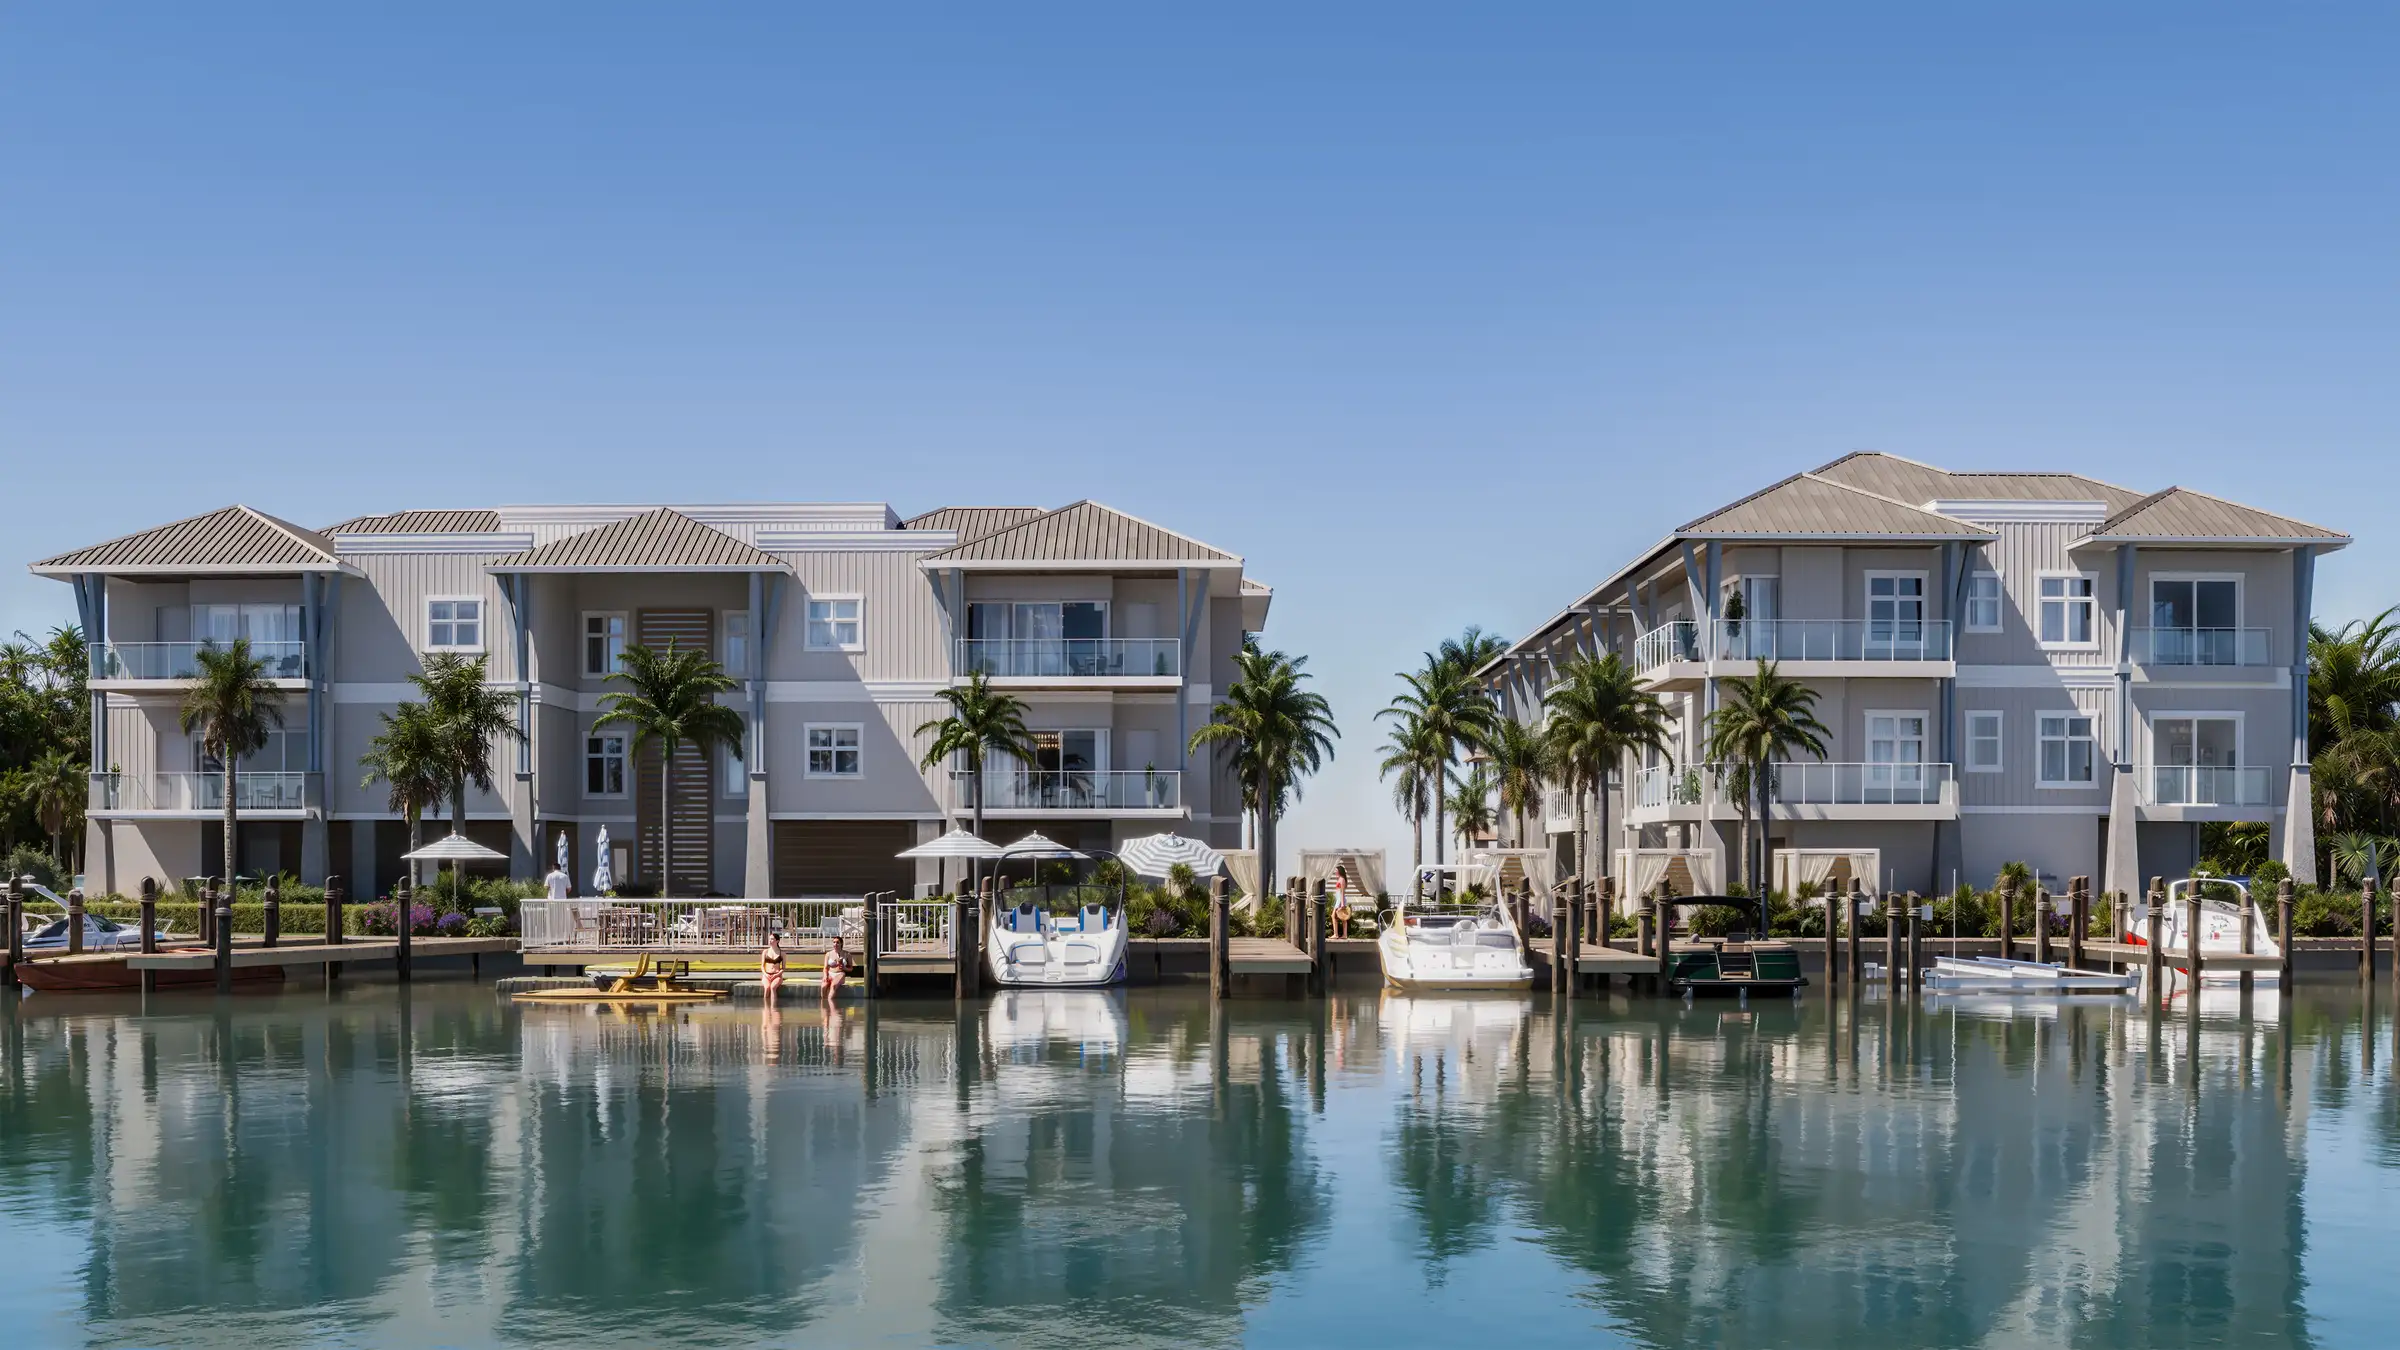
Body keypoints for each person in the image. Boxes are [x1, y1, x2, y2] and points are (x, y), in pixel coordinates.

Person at [821, 935, 850, 1002]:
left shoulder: (847, 954)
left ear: (841, 944)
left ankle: (830, 1003)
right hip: (830, 973)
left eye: (837, 942)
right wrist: (825, 975)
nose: (835, 944)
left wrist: (844, 968)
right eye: (834, 942)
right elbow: (825, 967)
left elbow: (851, 968)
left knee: (833, 986)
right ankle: (824, 1004)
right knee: (823, 986)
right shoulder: (828, 954)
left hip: (840, 973)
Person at [760, 931, 787, 1002]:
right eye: (769, 939)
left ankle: (774, 1008)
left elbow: (783, 968)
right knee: (767, 987)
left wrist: (777, 975)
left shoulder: (782, 953)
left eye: (772, 939)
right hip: (767, 974)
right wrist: (765, 974)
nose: (770, 941)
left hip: (777, 975)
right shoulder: (765, 952)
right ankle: (766, 1006)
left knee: (773, 987)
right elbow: (762, 966)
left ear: (777, 941)